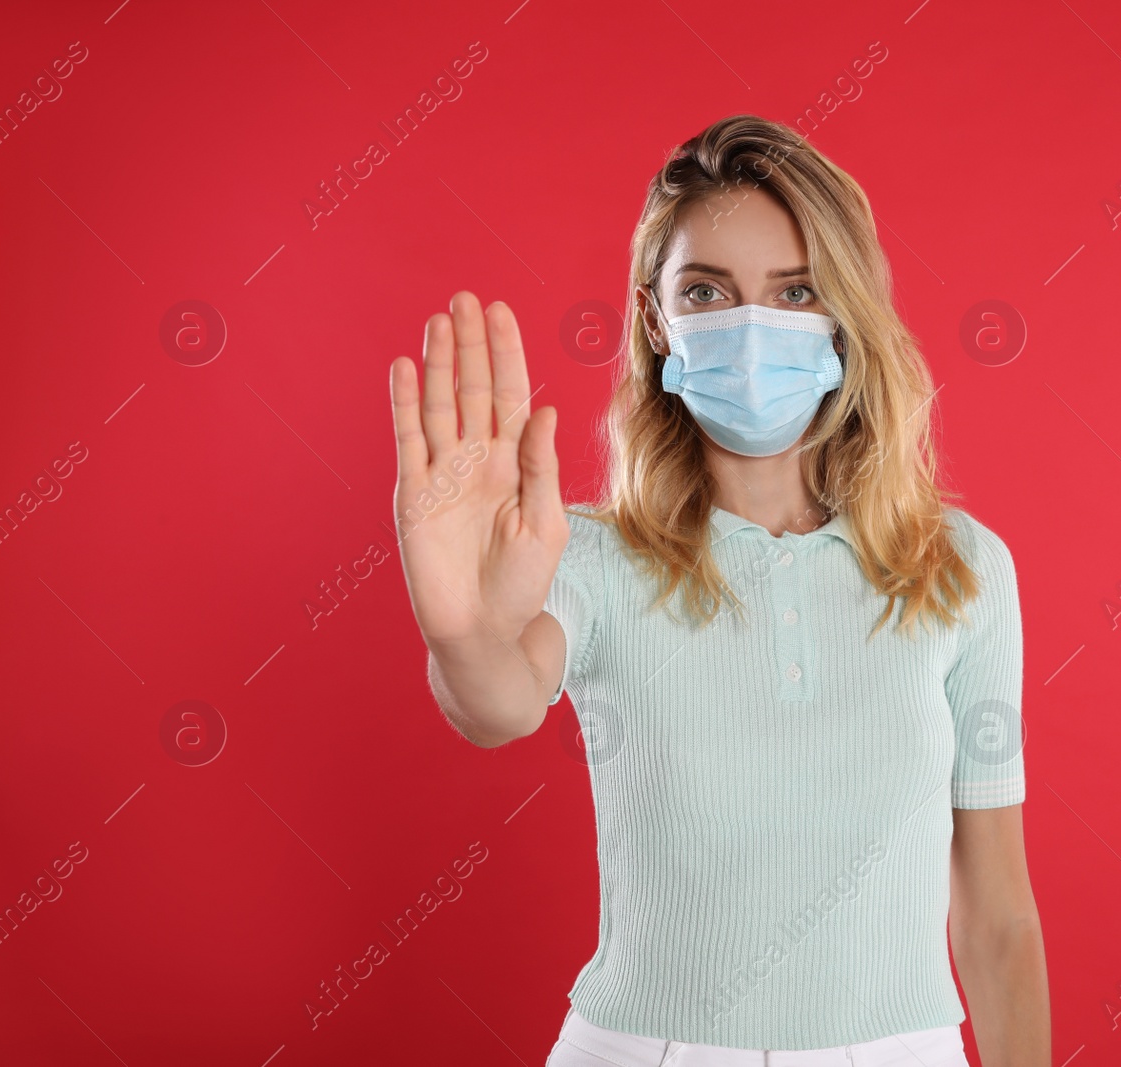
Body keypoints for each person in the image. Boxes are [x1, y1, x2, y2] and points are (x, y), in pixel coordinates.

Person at [388, 114, 1049, 1067]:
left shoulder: (964, 569)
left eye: (794, 292)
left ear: (843, 315)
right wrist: (461, 634)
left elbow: (997, 916)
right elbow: (498, 703)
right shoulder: (585, 555)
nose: (751, 329)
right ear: (658, 321)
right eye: (707, 291)